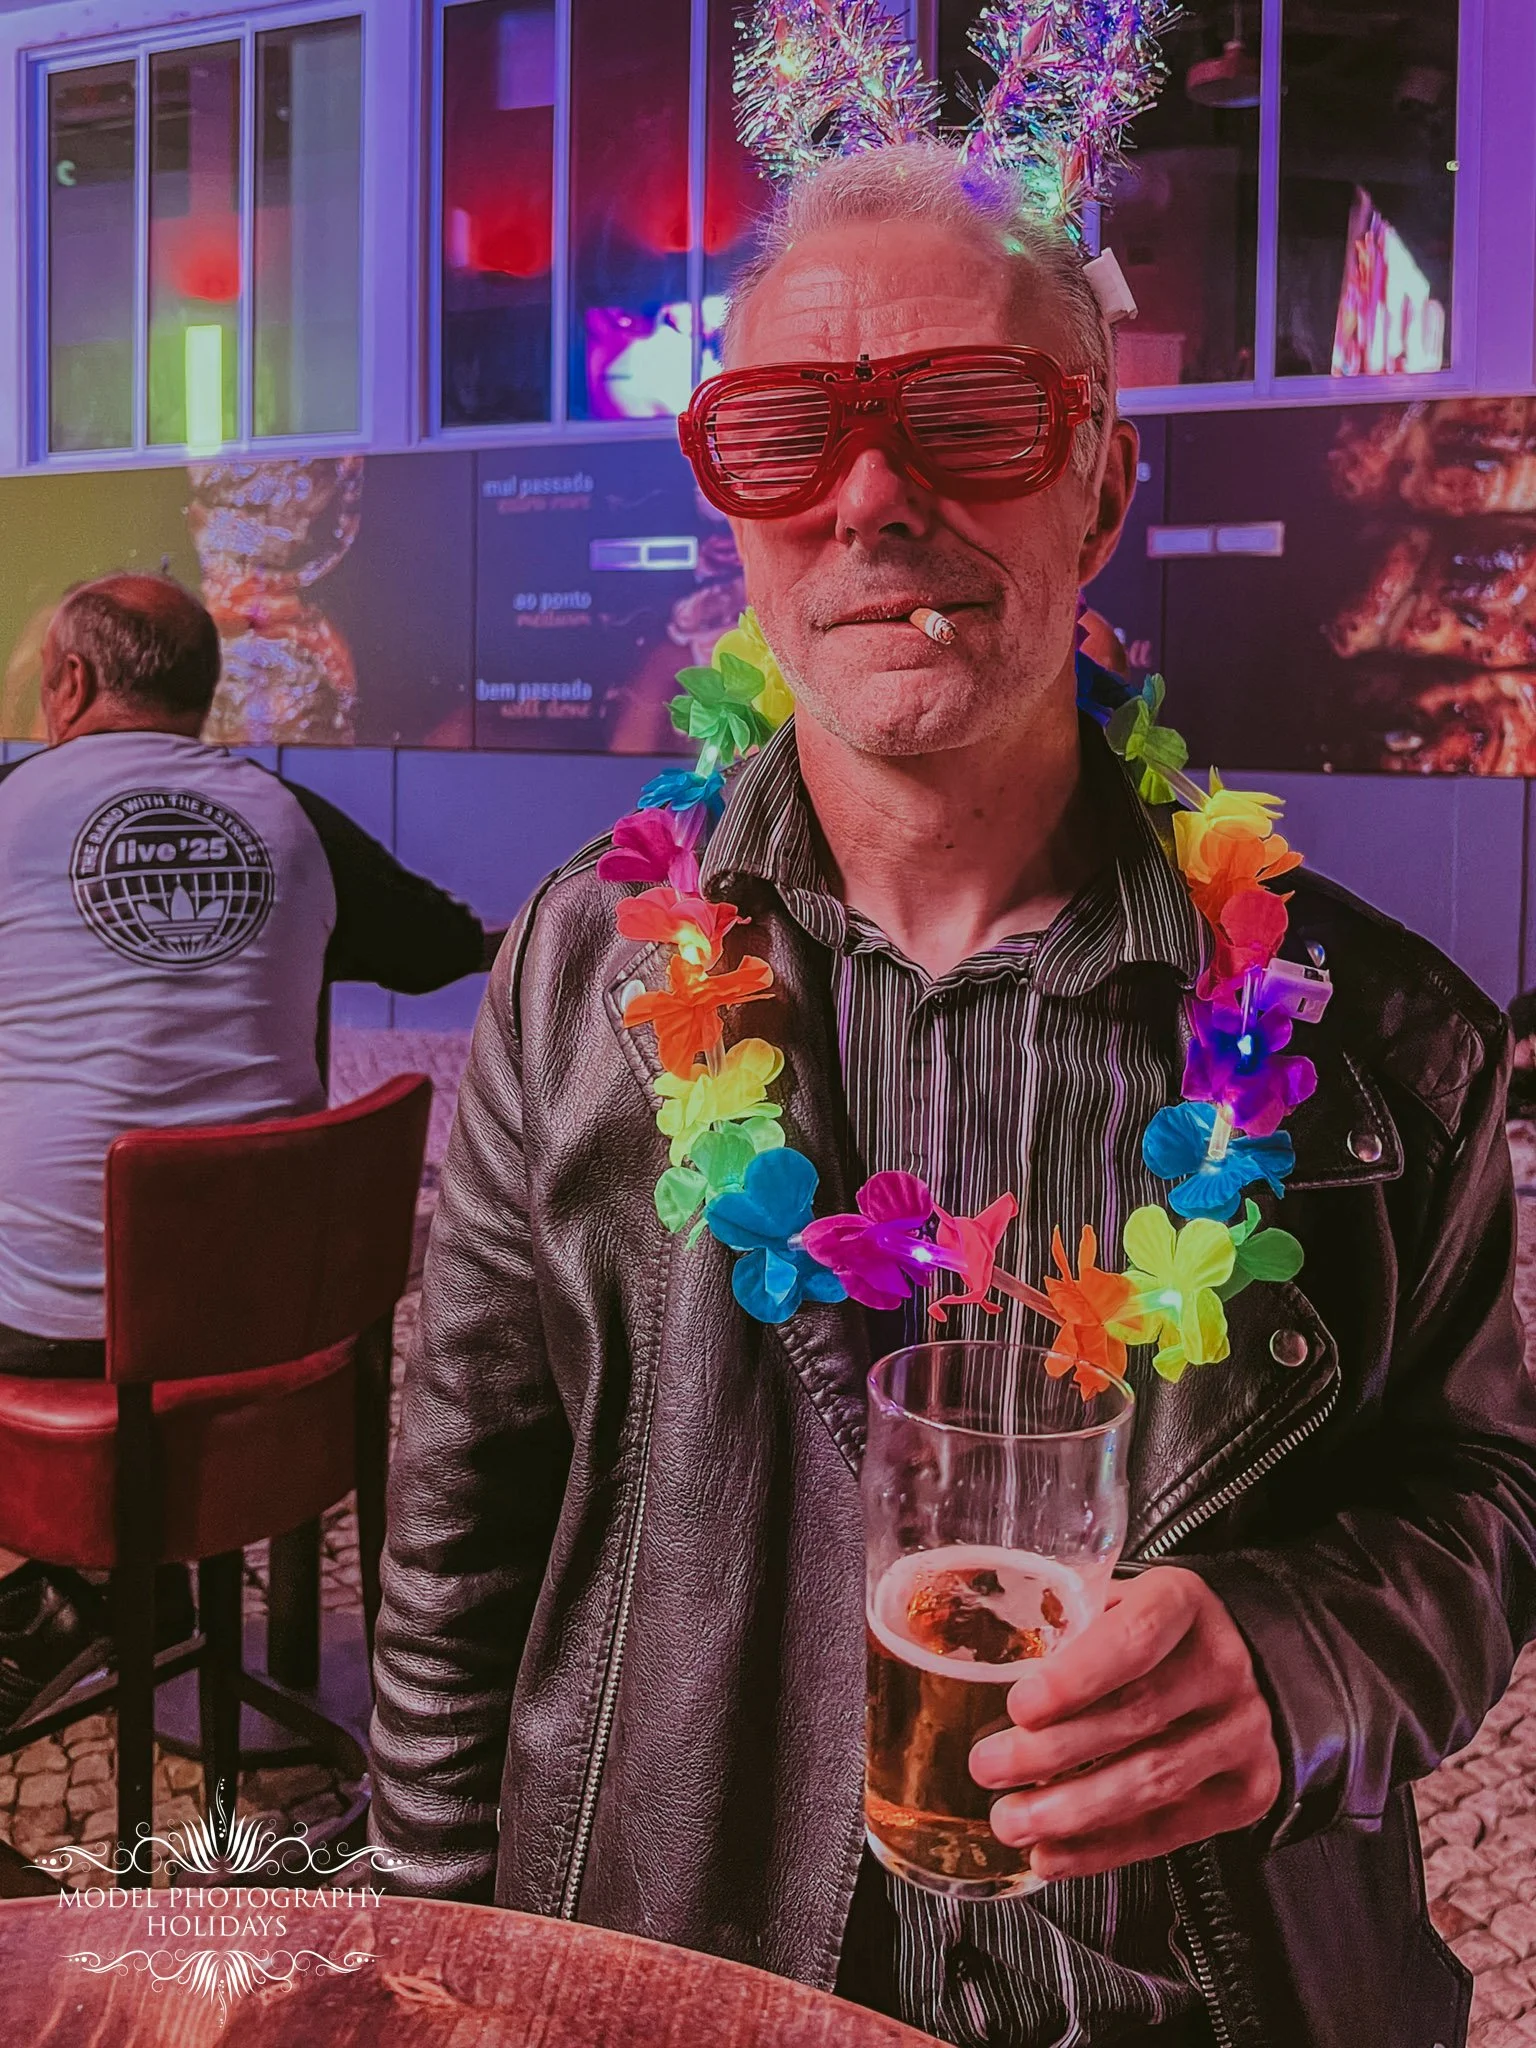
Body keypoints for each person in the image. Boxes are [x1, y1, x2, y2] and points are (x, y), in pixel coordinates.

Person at [368, 146, 1535, 2048]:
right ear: (721, 505)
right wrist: (435, 1979)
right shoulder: (582, 972)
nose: (874, 496)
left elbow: (1485, 1491)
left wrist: (1298, 1649)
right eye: (783, 435)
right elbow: (461, 1535)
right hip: (699, 1979)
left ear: (1104, 476)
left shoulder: (1381, 1035)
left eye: (973, 414)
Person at [0, 571, 494, 1726]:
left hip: (53, 1336)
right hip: (279, 1322)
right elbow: (436, 946)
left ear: (70, 684)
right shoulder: (292, 818)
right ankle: (126, 1590)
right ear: (203, 694)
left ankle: (96, 1588)